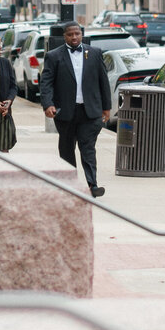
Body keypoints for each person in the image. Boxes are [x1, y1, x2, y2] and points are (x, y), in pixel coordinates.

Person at [40, 21, 111, 198]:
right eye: (70, 34)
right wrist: (48, 104)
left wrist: (107, 107)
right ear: (64, 36)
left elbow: (103, 81)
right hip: (65, 111)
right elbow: (46, 82)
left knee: (88, 149)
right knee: (66, 149)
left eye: (77, 34)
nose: (74, 37)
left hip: (90, 111)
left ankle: (92, 185)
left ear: (81, 34)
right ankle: (68, 185)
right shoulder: (54, 56)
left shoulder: (94, 53)